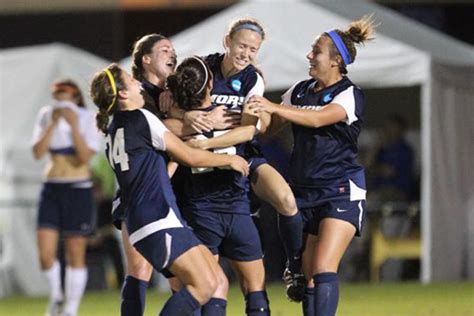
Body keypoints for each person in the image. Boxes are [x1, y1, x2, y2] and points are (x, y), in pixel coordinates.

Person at [90, 63, 249, 316]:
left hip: (153, 218)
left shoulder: (112, 130)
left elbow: (160, 171)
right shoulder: (141, 118)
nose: (138, 83)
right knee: (205, 285)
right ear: (122, 94)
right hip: (156, 218)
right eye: (131, 80)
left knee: (217, 281)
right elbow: (190, 156)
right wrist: (228, 159)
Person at [248, 15, 376, 316]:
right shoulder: (300, 90)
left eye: (316, 50)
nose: (309, 55)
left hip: (340, 189)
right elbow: (270, 127)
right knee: (307, 277)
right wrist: (252, 104)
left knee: (322, 267)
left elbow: (318, 118)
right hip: (303, 192)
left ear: (335, 61)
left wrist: (275, 106)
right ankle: (295, 273)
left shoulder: (348, 94)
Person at [175, 18, 305, 301]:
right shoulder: (201, 67)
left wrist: (209, 140)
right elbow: (174, 105)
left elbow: (248, 130)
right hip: (202, 168)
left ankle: (295, 269)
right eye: (242, 46)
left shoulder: (252, 79)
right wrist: (187, 115)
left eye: (253, 49)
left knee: (286, 199)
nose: (246, 54)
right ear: (227, 42)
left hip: (241, 155)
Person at [167, 56, 270, 316]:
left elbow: (167, 132)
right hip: (237, 208)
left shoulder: (177, 126)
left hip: (200, 211)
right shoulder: (230, 116)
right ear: (211, 83)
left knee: (210, 287)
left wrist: (182, 116)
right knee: (255, 288)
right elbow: (251, 131)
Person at [31, 80, 100, 316]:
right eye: (55, 93)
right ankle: (57, 294)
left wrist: (72, 126)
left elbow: (83, 157)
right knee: (45, 254)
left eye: (63, 93)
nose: (59, 97)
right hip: (51, 187)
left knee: (75, 250)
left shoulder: (87, 117)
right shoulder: (46, 115)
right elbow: (37, 152)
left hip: (78, 187)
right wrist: (53, 124)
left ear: (75, 96)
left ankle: (70, 308)